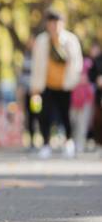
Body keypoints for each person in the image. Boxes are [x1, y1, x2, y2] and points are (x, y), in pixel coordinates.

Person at [30, 9, 83, 159]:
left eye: (57, 23)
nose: (54, 26)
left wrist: (75, 82)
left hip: (65, 85)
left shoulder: (70, 40)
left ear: (62, 24)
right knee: (44, 115)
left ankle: (69, 142)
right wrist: (35, 86)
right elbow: (36, 65)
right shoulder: (41, 41)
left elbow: (77, 63)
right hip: (45, 84)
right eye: (51, 23)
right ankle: (46, 144)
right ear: (47, 24)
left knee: (65, 115)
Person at [18, 36, 40, 151]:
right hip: (28, 92)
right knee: (30, 116)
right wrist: (21, 90)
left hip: (37, 92)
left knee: (38, 115)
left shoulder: (40, 57)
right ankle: (32, 141)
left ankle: (42, 139)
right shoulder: (25, 56)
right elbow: (22, 76)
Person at [70, 57, 94, 153]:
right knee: (74, 123)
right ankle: (75, 144)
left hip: (85, 100)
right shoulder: (73, 64)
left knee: (82, 124)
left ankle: (80, 146)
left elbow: (93, 78)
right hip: (74, 100)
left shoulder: (89, 64)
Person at [89, 43, 102, 146]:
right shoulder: (96, 60)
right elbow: (91, 75)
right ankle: (99, 142)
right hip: (99, 95)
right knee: (98, 119)